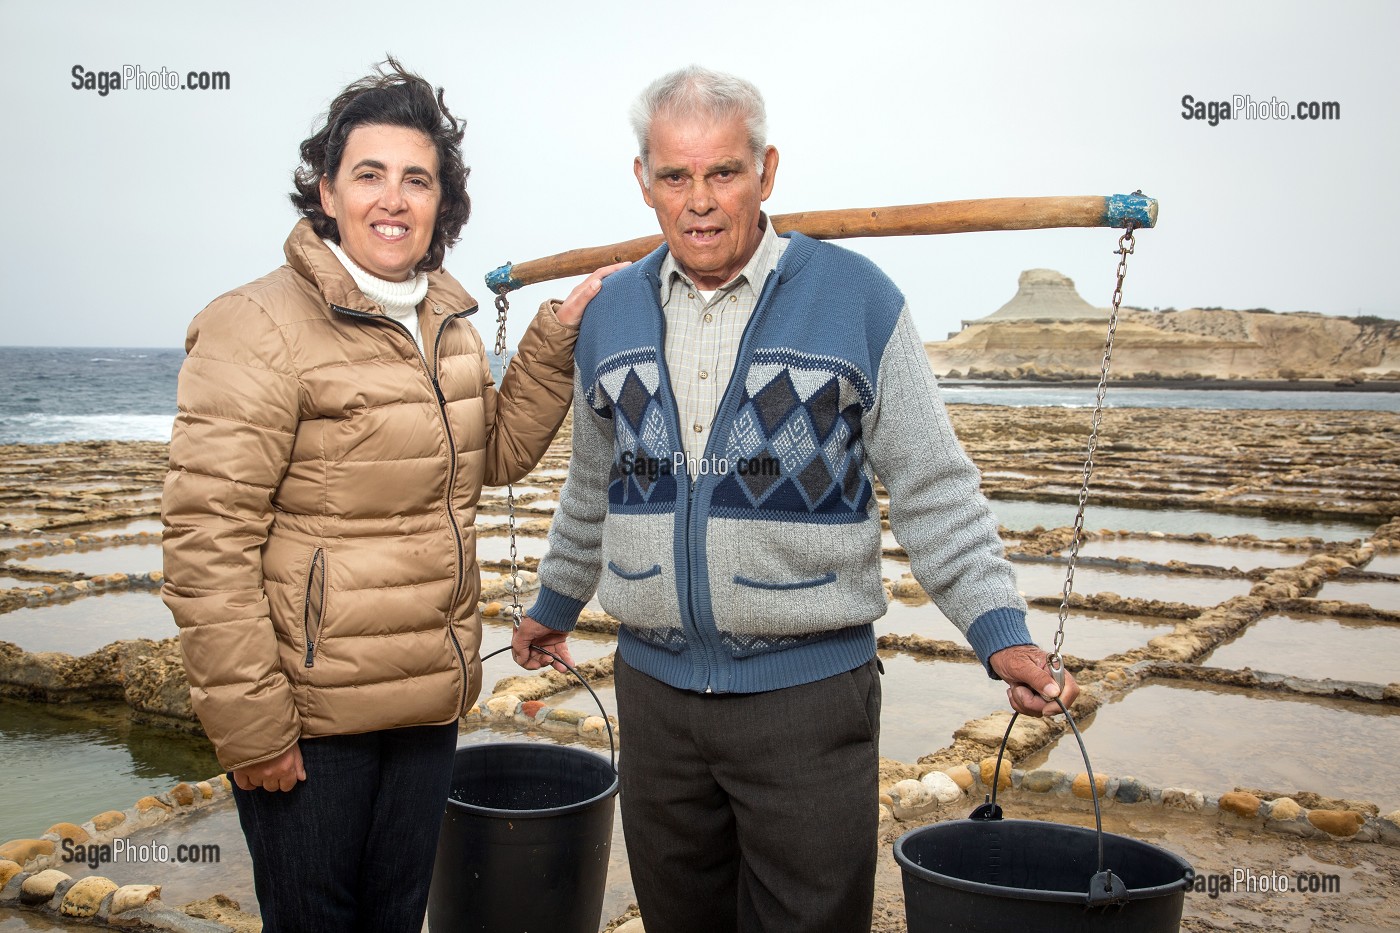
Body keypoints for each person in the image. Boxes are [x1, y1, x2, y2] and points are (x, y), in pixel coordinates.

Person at [511, 65, 1080, 933]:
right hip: (655, 696)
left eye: (723, 173)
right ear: (644, 183)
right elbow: (594, 487)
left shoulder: (856, 301)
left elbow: (933, 488)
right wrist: (553, 602)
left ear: (766, 172)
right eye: (675, 176)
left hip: (807, 702)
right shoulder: (611, 314)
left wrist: (1001, 633)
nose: (699, 201)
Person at [161, 58, 621, 932]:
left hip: (425, 699)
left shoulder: (444, 311)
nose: (393, 198)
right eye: (368, 174)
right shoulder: (254, 324)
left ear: (441, 201)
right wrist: (253, 724)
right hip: (312, 713)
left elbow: (496, 453)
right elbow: (204, 542)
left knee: (398, 917)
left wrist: (554, 339)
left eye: (417, 178)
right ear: (326, 191)